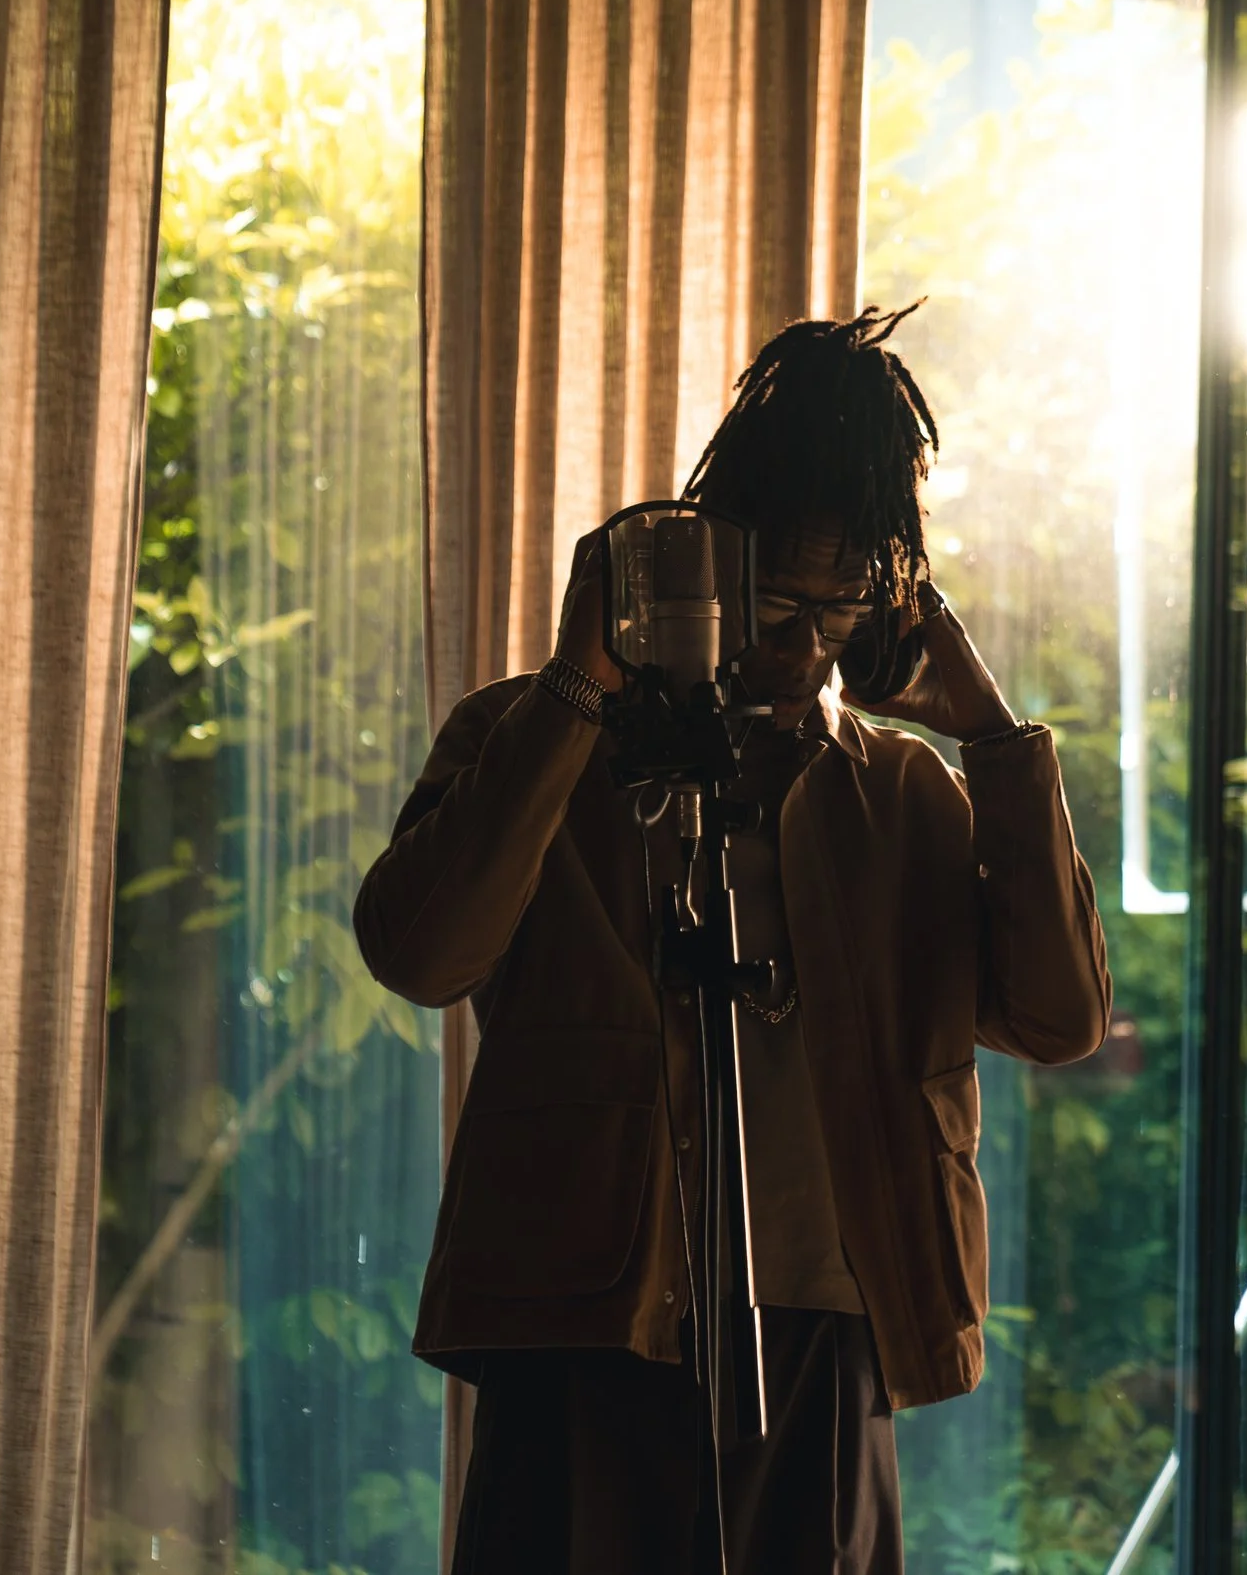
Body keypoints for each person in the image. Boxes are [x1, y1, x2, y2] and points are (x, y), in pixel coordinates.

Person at [352, 306, 1111, 1574]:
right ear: (702, 559)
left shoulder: (909, 794)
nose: (795, 642)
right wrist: (577, 690)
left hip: (828, 1319)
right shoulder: (531, 738)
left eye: (836, 609)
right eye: (767, 600)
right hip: (584, 1317)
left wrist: (991, 734)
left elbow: (1058, 1015)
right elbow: (422, 954)